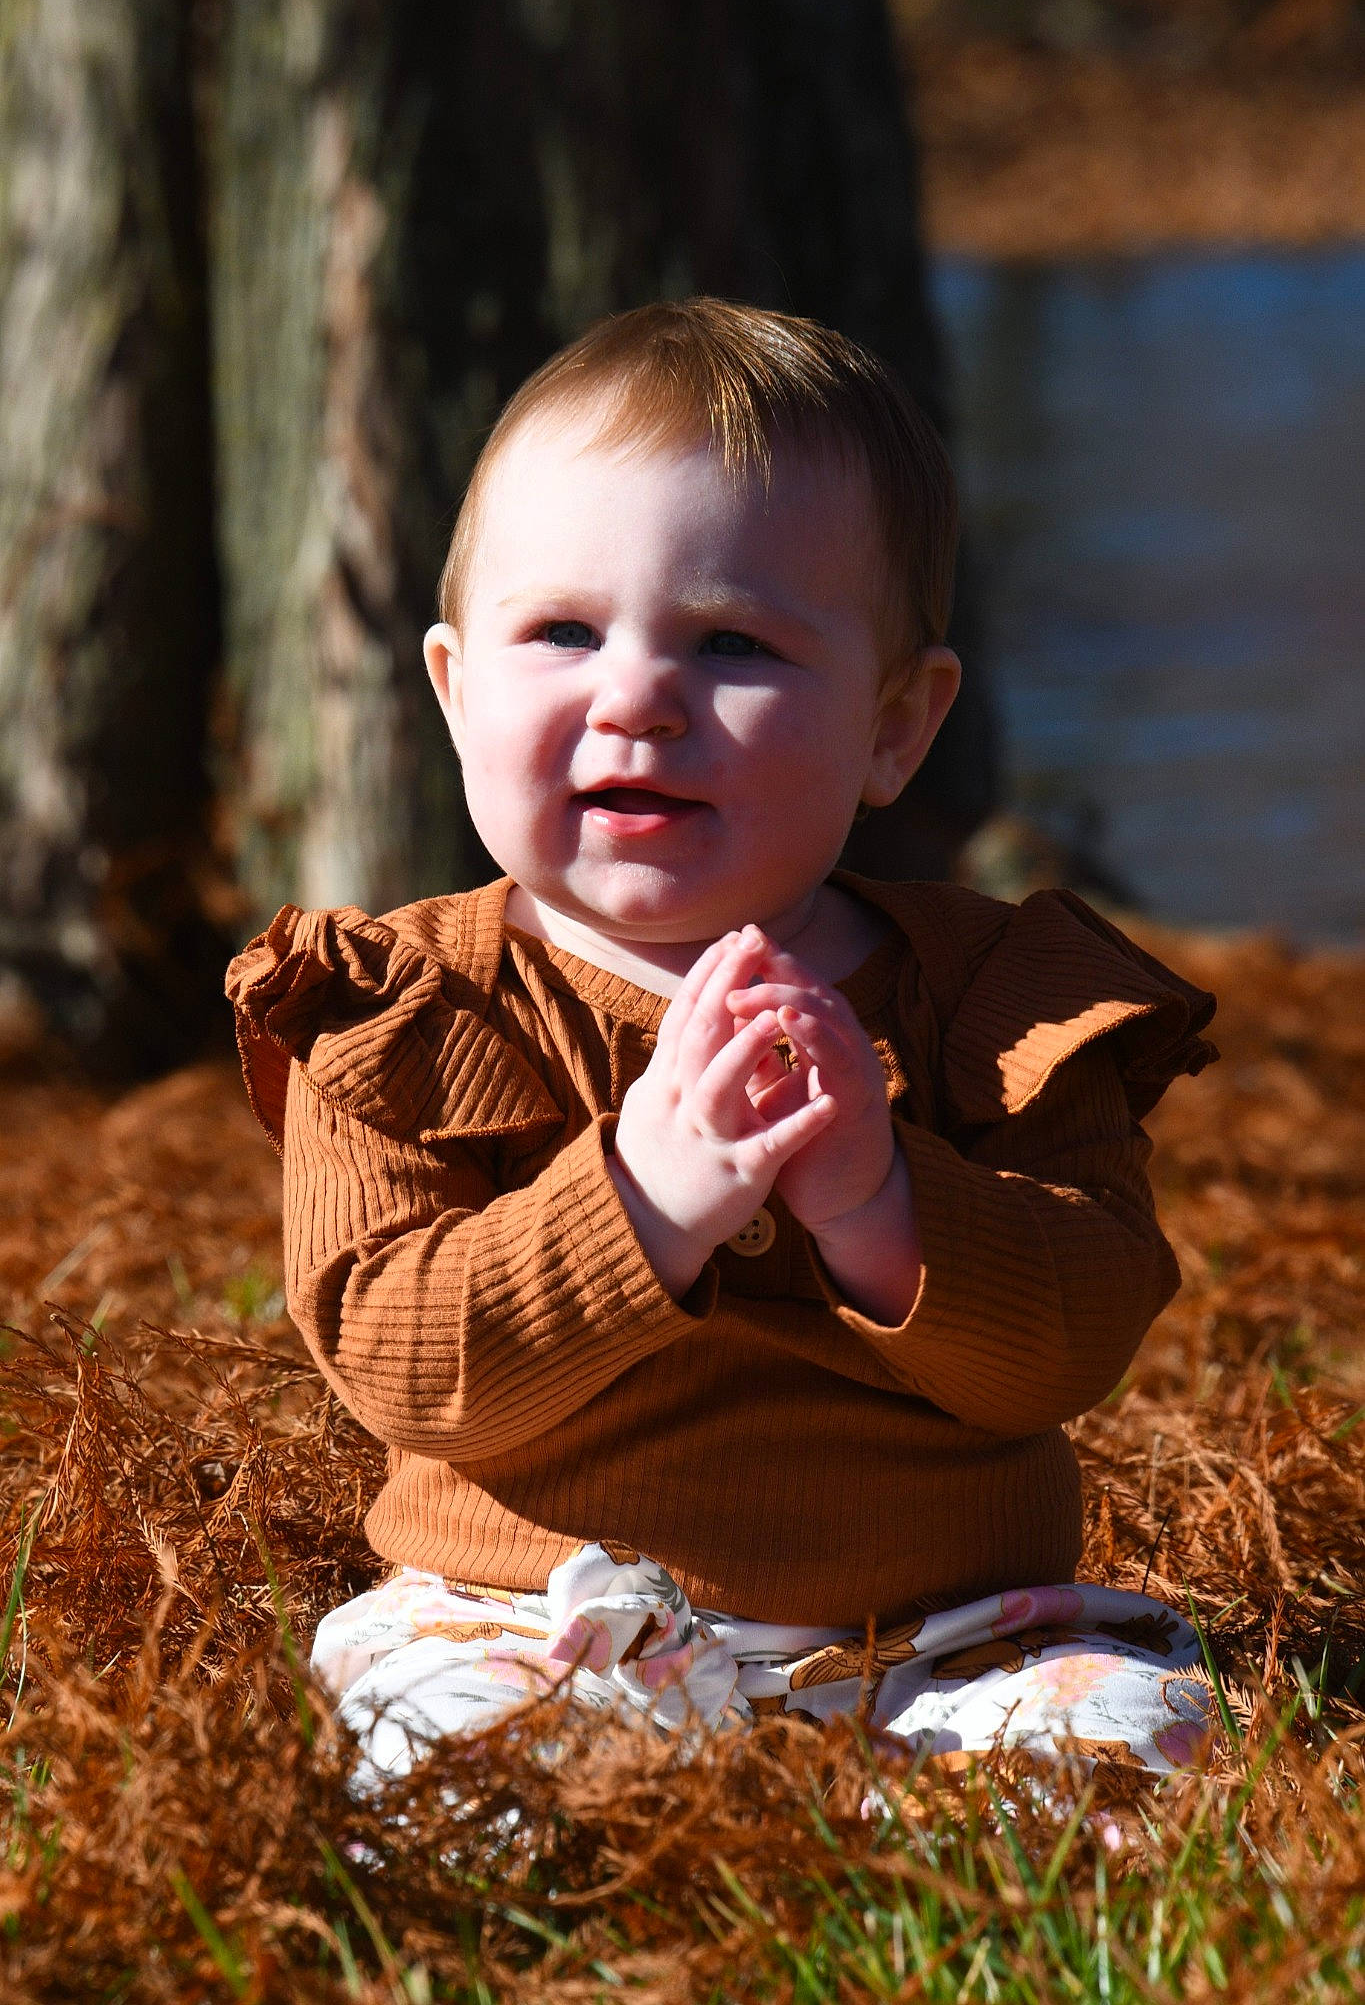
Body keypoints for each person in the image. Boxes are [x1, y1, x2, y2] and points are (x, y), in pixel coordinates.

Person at [226, 298, 1219, 1786]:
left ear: (895, 726)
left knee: (1121, 1738)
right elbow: (398, 1362)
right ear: (451, 690)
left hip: (941, 1632)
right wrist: (642, 1202)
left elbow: (1068, 1343)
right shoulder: (400, 1006)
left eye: (733, 644)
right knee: (455, 1752)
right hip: (521, 1611)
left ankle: (935, 1831)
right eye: (559, 631)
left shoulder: (995, 1000)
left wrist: (878, 1205)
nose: (635, 696)